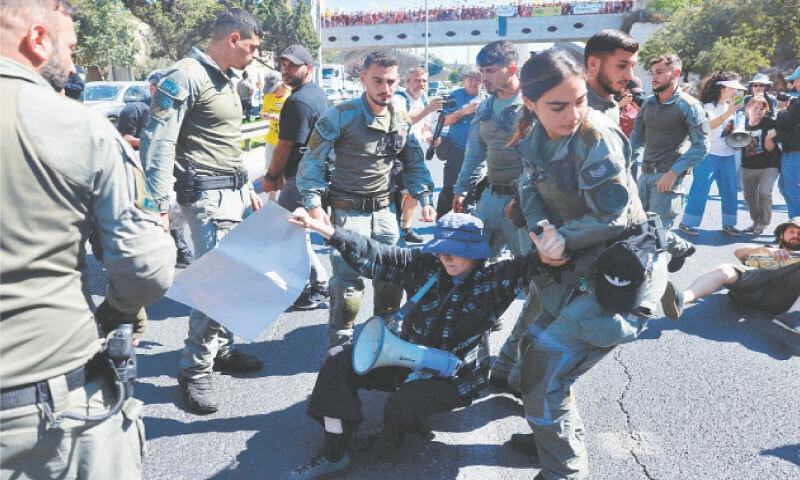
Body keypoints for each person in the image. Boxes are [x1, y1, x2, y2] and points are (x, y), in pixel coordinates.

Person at [0, 1, 174, 477]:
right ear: (38, 40)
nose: (74, 66)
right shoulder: (78, 127)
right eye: (71, 48)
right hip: (48, 414)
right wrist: (114, 313)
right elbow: (146, 268)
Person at [284, 211, 554, 480]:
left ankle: (398, 434)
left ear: (475, 252)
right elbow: (376, 253)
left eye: (454, 251)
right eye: (441, 250)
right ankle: (335, 450)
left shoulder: (496, 279)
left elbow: (535, 264)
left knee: (405, 403)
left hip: (455, 376)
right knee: (337, 359)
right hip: (406, 357)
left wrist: (553, 245)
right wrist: (324, 230)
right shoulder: (423, 265)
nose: (445, 257)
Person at [510, 48, 669, 480]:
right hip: (576, 271)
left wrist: (562, 239)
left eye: (579, 100)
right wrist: (541, 234)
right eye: (557, 106)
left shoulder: (595, 136)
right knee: (533, 360)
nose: (572, 114)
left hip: (617, 275)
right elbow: (529, 184)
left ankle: (564, 471)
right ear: (530, 103)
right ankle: (552, 437)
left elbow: (613, 217)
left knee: (544, 374)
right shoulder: (535, 135)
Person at [139, 7, 265, 415]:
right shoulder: (185, 75)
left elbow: (225, 144)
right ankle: (194, 370)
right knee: (219, 287)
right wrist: (156, 206)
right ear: (233, 39)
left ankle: (221, 350)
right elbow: (157, 145)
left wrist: (246, 189)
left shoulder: (225, 80)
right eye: (253, 47)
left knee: (236, 279)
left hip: (232, 196)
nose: (254, 55)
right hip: (206, 199)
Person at [295, 51, 436, 349]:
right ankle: (340, 346)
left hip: (386, 212)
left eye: (391, 81)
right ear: (363, 79)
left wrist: (424, 198)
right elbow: (312, 161)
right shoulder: (341, 115)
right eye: (377, 81)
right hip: (349, 212)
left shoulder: (400, 119)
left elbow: (414, 162)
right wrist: (313, 203)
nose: (385, 88)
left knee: (390, 281)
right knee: (348, 287)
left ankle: (382, 341)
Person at [451, 40, 535, 398]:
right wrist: (460, 190)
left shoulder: (532, 105)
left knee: (534, 284)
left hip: (524, 205)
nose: (483, 77)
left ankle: (513, 363)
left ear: (512, 70)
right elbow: (474, 153)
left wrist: (527, 200)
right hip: (489, 199)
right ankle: (466, 350)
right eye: (482, 70)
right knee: (466, 270)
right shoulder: (485, 106)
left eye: (490, 71)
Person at [261, 44, 331, 311]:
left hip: (302, 178)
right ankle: (319, 282)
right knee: (295, 231)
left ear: (308, 69)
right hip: (312, 175)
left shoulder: (298, 101)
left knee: (285, 232)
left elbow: (286, 145)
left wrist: (271, 175)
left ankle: (312, 286)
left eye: (293, 65)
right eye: (284, 64)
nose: (286, 69)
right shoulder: (317, 94)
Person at [631, 54, 709, 272]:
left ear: (675, 73)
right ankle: (681, 248)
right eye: (652, 72)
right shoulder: (648, 103)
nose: (654, 77)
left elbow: (701, 146)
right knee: (639, 227)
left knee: (653, 236)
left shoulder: (689, 106)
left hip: (668, 178)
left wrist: (673, 173)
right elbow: (636, 139)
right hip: (645, 176)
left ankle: (647, 288)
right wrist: (629, 167)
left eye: (659, 72)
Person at [660, 219, 800, 336]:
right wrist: (766, 250)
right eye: (792, 232)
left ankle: (794, 318)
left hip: (784, 299)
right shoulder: (767, 250)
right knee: (725, 269)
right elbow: (739, 253)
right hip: (753, 289)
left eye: (799, 233)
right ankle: (681, 299)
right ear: (782, 235)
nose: (796, 235)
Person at [115, 69, 195, 268]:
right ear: (152, 88)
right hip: (139, 170)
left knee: (171, 208)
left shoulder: (171, 111)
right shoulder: (134, 109)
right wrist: (150, 142)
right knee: (148, 214)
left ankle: (180, 250)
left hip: (166, 168)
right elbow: (123, 138)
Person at [678, 73, 746, 237]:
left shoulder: (733, 109)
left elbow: (733, 131)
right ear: (722, 88)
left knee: (730, 190)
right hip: (708, 154)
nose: (736, 92)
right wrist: (730, 111)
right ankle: (687, 223)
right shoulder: (707, 107)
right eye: (733, 88)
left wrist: (738, 141)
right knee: (701, 188)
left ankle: (729, 223)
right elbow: (709, 126)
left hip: (728, 155)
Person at [391, 66, 445, 243]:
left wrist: (431, 138)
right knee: (399, 194)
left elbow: (424, 128)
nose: (421, 84)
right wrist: (429, 109)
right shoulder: (399, 98)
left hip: (416, 153)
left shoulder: (422, 100)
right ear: (407, 82)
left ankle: (405, 228)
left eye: (424, 81)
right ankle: (395, 230)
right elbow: (404, 120)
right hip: (398, 154)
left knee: (413, 194)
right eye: (417, 80)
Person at [436, 65, 482, 218]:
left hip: (479, 151)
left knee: (475, 188)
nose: (473, 83)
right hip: (457, 149)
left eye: (477, 80)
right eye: (470, 79)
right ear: (464, 80)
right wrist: (464, 111)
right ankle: (441, 220)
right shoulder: (455, 96)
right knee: (450, 187)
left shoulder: (487, 99)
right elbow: (444, 122)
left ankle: (467, 220)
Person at [740, 95, 781, 235]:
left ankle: (763, 222)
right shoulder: (741, 123)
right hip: (747, 166)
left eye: (762, 109)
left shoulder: (769, 123)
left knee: (764, 192)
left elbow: (770, 148)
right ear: (748, 108)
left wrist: (769, 137)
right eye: (755, 107)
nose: (758, 111)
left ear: (766, 111)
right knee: (749, 196)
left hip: (769, 165)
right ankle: (756, 220)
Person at [583, 29, 639, 124]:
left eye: (632, 66)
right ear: (593, 64)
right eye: (621, 66)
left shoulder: (612, 107)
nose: (630, 77)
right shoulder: (573, 110)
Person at [260, 73, 290, 200]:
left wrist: (279, 118)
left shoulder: (291, 97)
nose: (272, 93)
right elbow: (263, 113)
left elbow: (293, 120)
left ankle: (287, 198)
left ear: (281, 85)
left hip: (286, 140)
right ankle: (272, 199)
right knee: (269, 169)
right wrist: (266, 115)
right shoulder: (269, 97)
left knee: (286, 171)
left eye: (274, 90)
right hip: (272, 139)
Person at [775, 73, 800, 221]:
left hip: (795, 153)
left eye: (797, 80)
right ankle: (793, 222)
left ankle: (795, 230)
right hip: (791, 152)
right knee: (785, 187)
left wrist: (783, 109)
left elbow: (784, 122)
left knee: (793, 191)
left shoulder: (797, 103)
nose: (794, 84)